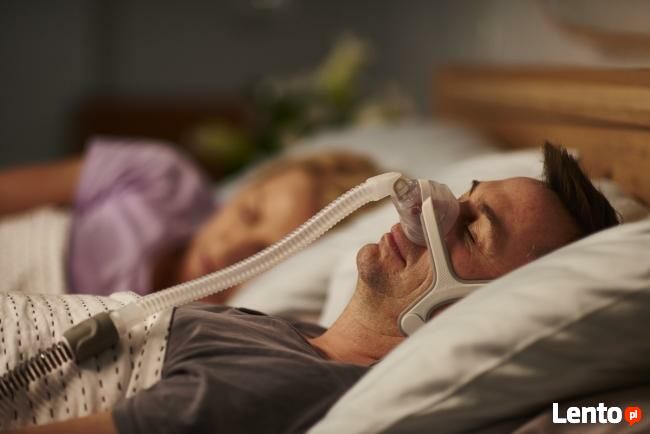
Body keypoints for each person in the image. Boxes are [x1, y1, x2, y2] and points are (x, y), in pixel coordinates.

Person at [7, 143, 619, 434]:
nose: (430, 213)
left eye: (474, 230)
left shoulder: (283, 384)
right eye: (459, 199)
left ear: (493, 311)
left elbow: (614, 413)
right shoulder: (292, 338)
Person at [0, 138, 380, 301]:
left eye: (267, 255)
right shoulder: (161, 177)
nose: (230, 249)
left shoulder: (198, 349)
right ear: (244, 189)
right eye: (248, 213)